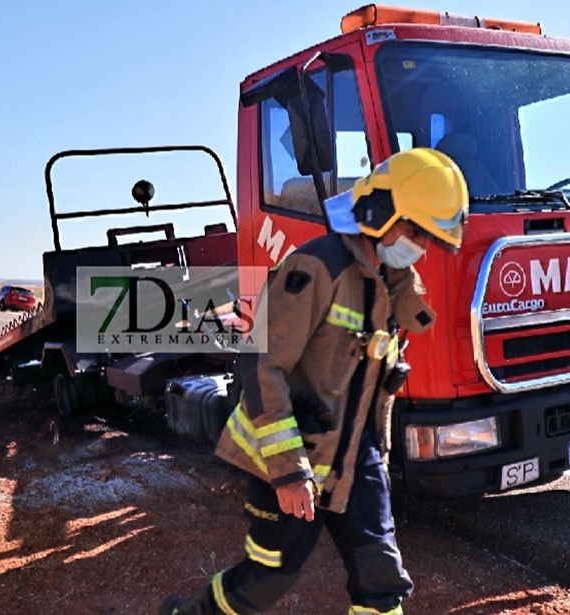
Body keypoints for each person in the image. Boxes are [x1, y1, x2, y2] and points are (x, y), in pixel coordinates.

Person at [160, 148, 468, 615]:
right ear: (378, 213)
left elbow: (411, 327)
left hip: (354, 455)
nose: (420, 247)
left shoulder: (384, 277)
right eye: (415, 233)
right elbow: (262, 367)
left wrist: (401, 282)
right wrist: (287, 472)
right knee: (267, 580)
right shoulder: (315, 268)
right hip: (291, 455)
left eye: (428, 238)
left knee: (381, 581)